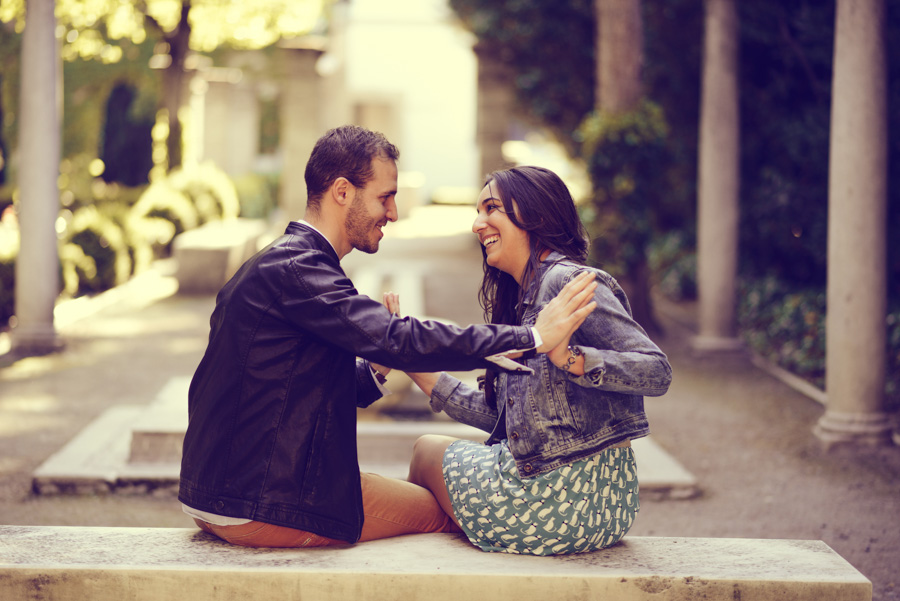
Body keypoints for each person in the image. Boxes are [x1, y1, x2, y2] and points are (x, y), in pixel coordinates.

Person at [178, 126, 599, 548]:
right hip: (261, 502)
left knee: (422, 493)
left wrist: (380, 363)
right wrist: (533, 335)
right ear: (342, 192)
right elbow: (400, 337)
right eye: (385, 197)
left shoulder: (283, 263)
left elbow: (314, 389)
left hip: (228, 493)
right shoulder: (299, 271)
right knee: (459, 513)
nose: (394, 213)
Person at [402, 165, 673, 556]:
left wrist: (571, 358)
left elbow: (657, 371)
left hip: (554, 498)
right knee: (435, 485)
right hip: (602, 509)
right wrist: (414, 366)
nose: (478, 225)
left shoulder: (568, 284)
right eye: (478, 212)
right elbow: (507, 421)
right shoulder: (525, 302)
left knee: (426, 451)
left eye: (491, 208)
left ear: (533, 215)